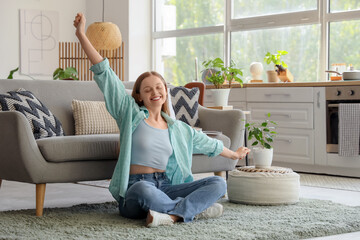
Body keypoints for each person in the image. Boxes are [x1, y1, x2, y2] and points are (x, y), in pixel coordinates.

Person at [73, 13, 250, 227]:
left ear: (165, 91)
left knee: (218, 183)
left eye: (159, 87)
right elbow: (105, 73)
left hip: (167, 185)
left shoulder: (178, 128)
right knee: (143, 190)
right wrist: (81, 35)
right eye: (147, 89)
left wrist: (234, 154)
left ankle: (172, 215)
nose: (154, 92)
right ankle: (192, 209)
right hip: (136, 188)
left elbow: (209, 144)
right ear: (139, 95)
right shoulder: (129, 113)